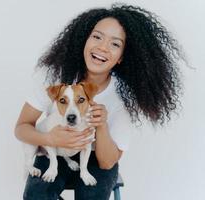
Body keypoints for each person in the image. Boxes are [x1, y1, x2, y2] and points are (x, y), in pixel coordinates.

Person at [15, 3, 185, 200]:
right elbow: (21, 128)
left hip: (96, 157)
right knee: (37, 195)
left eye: (115, 44)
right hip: (53, 150)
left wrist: (101, 125)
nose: (102, 47)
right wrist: (50, 139)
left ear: (122, 57)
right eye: (97, 37)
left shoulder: (125, 96)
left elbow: (107, 162)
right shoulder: (54, 75)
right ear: (84, 40)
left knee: (92, 195)